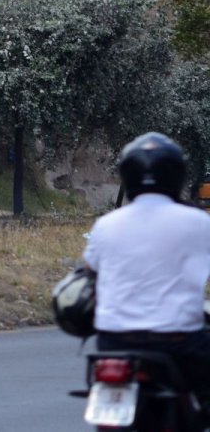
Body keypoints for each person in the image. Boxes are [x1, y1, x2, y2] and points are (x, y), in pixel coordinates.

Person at [83, 132, 210, 391]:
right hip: (178, 341)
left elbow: (89, 271)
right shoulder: (197, 222)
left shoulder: (106, 224)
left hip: (114, 342)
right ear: (177, 175)